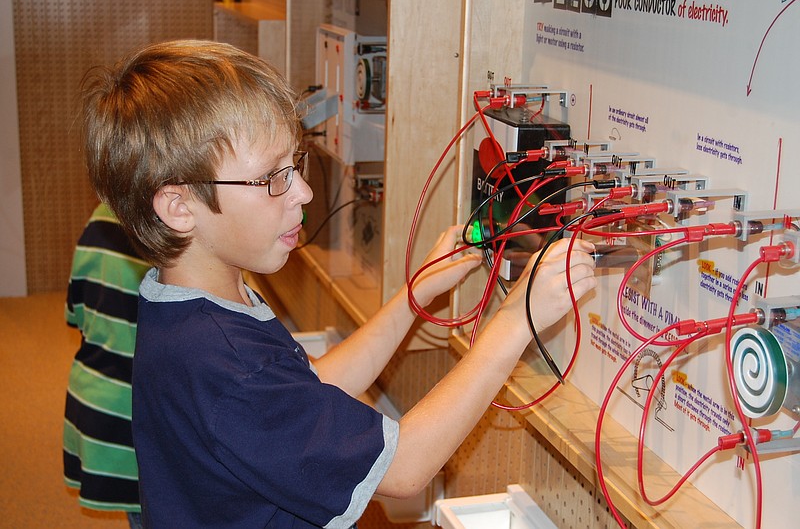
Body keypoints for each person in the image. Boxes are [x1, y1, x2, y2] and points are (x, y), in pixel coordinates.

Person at [79, 40, 597, 528]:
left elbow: (305, 390)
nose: (303, 191)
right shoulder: (228, 365)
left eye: (296, 165)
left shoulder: (188, 303)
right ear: (179, 207)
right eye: (272, 177)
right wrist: (514, 322)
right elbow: (405, 467)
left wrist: (413, 298)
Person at [63, 203, 149, 528]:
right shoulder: (170, 232)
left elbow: (76, 314)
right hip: (136, 417)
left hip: (96, 399)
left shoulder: (99, 219)